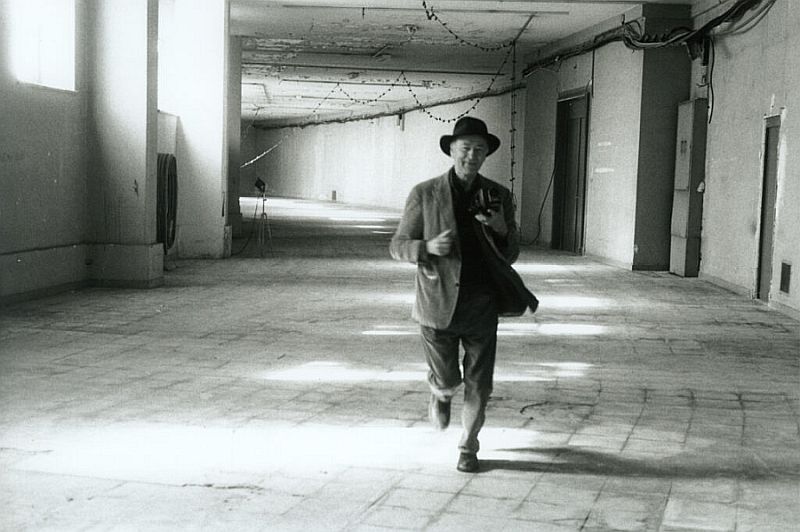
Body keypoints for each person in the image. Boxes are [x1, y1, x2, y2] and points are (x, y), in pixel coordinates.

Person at [390, 116, 538, 473]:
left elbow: (512, 252)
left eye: (480, 150)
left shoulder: (498, 195)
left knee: (480, 384)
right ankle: (441, 392)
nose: (472, 155)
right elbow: (397, 246)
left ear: (486, 155)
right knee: (449, 380)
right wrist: (427, 246)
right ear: (452, 151)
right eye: (466, 148)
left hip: (482, 303)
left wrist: (501, 228)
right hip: (437, 304)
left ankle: (468, 446)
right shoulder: (425, 193)